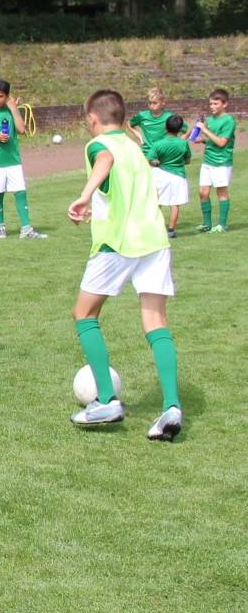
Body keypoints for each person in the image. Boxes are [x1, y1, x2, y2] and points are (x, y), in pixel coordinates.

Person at [67, 89, 182, 442]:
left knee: (84, 314)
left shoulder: (98, 145)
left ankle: (106, 400)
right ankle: (172, 406)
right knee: (155, 322)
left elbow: (104, 161)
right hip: (155, 240)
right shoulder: (135, 145)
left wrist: (85, 195)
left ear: (92, 119)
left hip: (118, 242)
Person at [0, 78, 48, 240]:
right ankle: (1, 227)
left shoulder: (11, 110)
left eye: (1, 96)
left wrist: (14, 109)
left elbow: (21, 130)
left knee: (20, 192)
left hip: (13, 160)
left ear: (7, 96)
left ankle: (26, 229)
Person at [192, 88, 236, 233]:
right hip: (207, 161)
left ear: (225, 104)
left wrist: (204, 130)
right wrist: (202, 140)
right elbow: (213, 139)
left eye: (216, 103)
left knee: (221, 193)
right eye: (211, 104)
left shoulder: (229, 120)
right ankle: (207, 224)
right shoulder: (210, 120)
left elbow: (222, 142)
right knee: (203, 192)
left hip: (221, 163)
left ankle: (222, 225)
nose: (212, 106)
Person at [145, 115, 191, 238]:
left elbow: (149, 160)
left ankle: (154, 227)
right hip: (178, 176)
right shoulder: (183, 144)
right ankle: (171, 230)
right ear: (180, 129)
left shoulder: (158, 144)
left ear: (166, 127)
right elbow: (187, 160)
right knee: (175, 205)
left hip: (161, 174)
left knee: (156, 202)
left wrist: (155, 162)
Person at [126, 87, 185, 159]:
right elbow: (129, 123)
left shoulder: (169, 117)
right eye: (149, 103)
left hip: (163, 155)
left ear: (163, 102)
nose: (151, 105)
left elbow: (186, 130)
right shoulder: (142, 115)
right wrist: (138, 135)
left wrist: (178, 141)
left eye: (154, 103)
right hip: (147, 154)